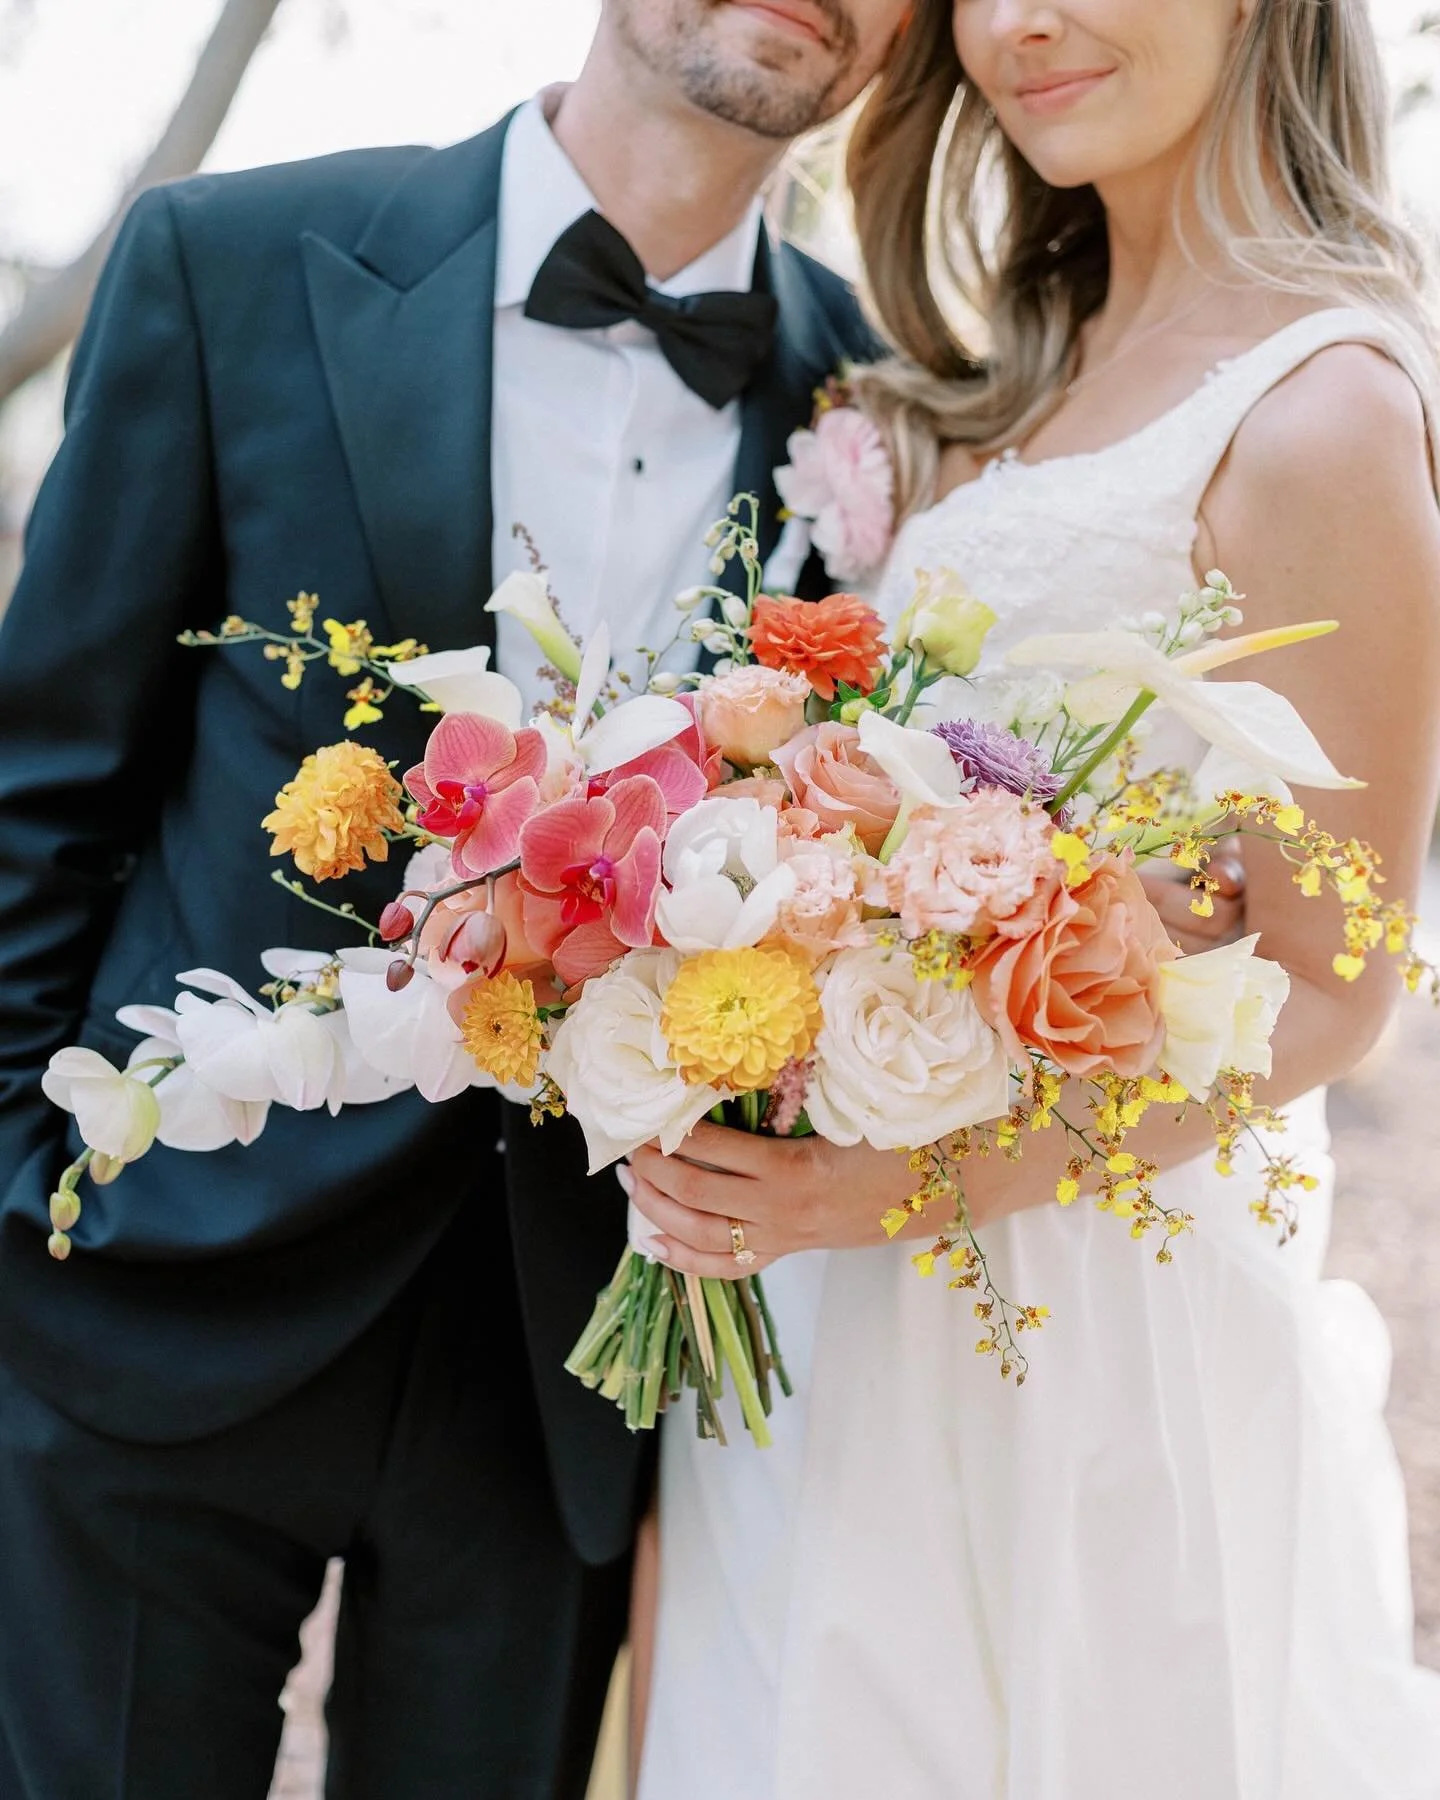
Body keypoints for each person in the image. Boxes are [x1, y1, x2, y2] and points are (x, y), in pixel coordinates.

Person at [0, 4, 920, 1795]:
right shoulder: (234, 260)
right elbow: (42, 786)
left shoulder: (886, 408)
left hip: (569, 1357)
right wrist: (24, 1208)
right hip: (161, 1291)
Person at [629, 1, 1440, 1795]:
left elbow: (1334, 991)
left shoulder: (1326, 413)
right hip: (833, 1290)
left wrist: (891, 1187)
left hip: (1083, 1317)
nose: (1016, 27)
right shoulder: (1018, 367)